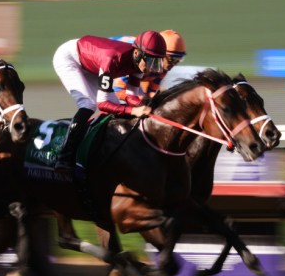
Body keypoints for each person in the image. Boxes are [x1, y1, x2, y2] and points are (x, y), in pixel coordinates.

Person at [52, 30, 167, 173]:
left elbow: (130, 96)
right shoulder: (113, 58)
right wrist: (134, 110)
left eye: (155, 61)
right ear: (137, 53)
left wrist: (144, 107)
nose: (151, 66)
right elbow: (102, 104)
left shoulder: (139, 62)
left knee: (117, 107)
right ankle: (64, 157)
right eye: (150, 60)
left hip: (92, 65)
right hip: (69, 58)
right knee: (88, 105)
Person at [111, 30, 187, 102]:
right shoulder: (139, 60)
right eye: (172, 59)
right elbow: (118, 90)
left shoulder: (163, 65)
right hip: (109, 67)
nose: (173, 64)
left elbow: (151, 92)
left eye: (178, 60)